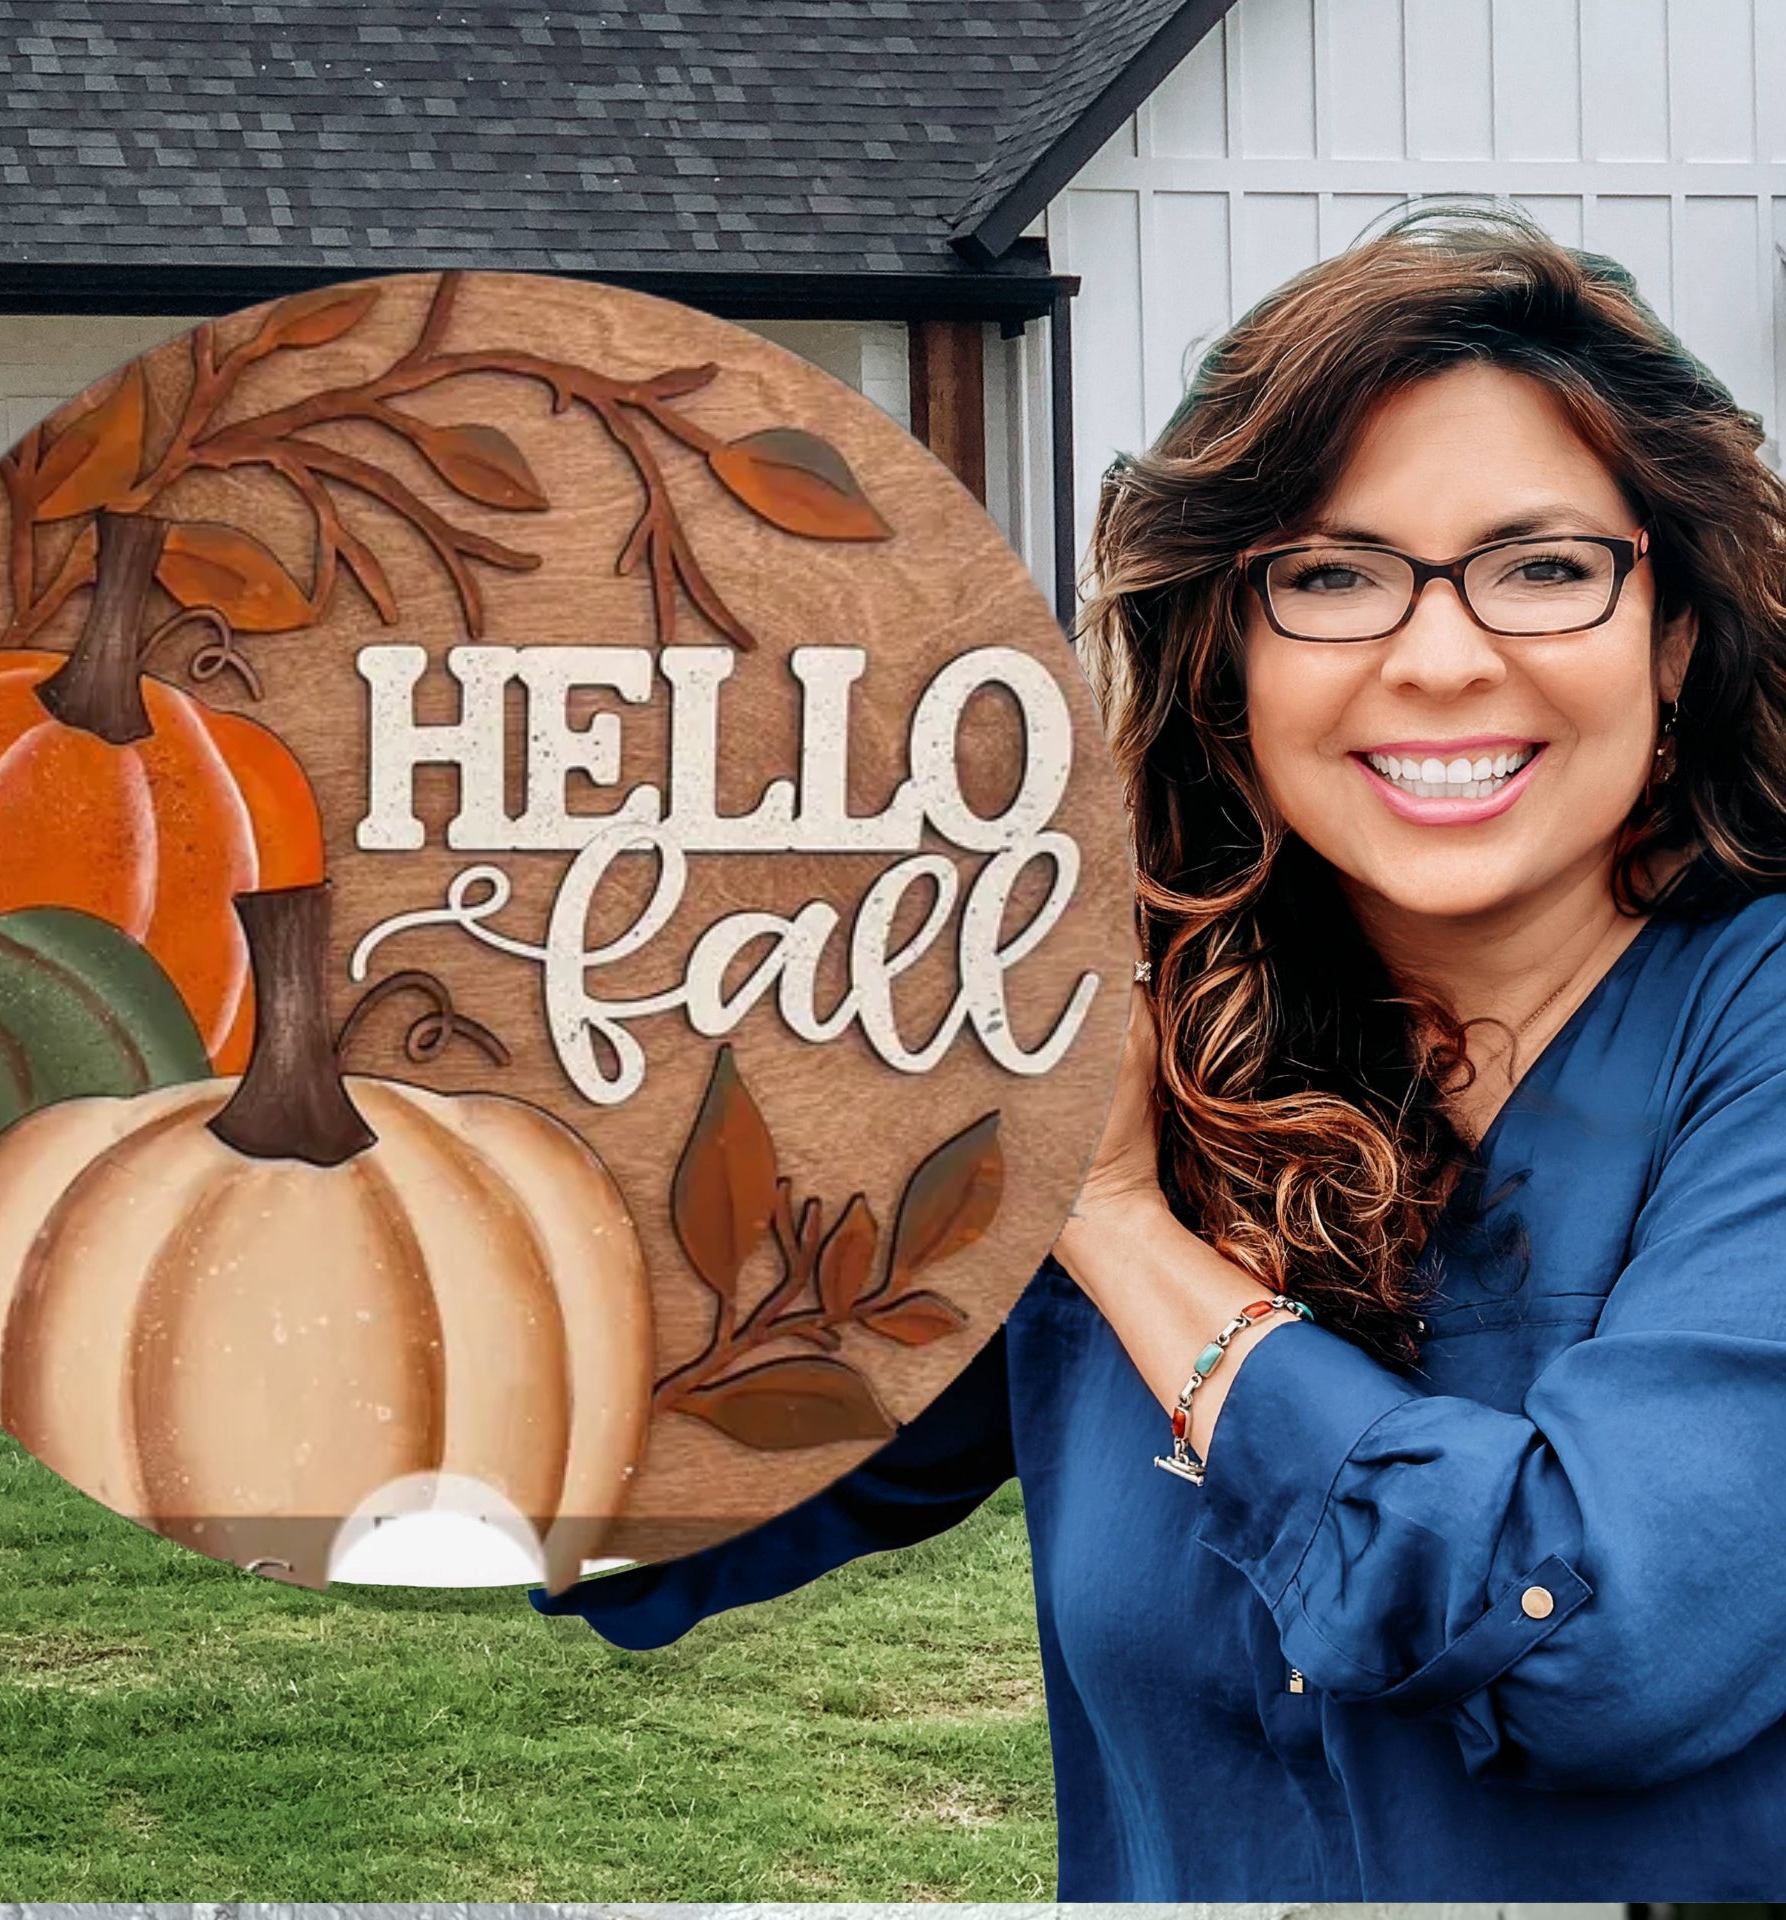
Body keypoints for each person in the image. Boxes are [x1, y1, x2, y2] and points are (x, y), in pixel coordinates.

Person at [531, 202, 1786, 1899]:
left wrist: (1122, 1227)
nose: (1437, 657)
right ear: (1229, 655)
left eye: (1543, 566)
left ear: (1679, 630)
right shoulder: (1138, 1033)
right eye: (1331, 576)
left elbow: (1601, 1639)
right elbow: (672, 1456)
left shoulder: (1748, 1035)